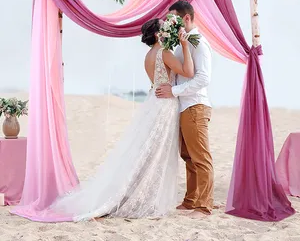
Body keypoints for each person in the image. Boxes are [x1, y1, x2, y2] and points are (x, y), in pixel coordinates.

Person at [31, 18, 194, 222]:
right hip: (165, 105)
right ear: (157, 34)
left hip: (154, 101)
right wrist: (186, 46)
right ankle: (141, 197)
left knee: (148, 152)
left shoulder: (149, 55)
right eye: (164, 28)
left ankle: (134, 191)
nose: (167, 31)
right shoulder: (164, 53)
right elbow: (188, 72)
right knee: (156, 153)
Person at [156, 1, 213, 219]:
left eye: (173, 18)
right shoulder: (183, 43)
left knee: (201, 157)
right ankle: (191, 200)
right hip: (183, 106)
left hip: (195, 105)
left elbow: (203, 78)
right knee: (188, 156)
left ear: (186, 18)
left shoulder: (199, 43)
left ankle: (204, 205)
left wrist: (175, 91)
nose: (170, 22)